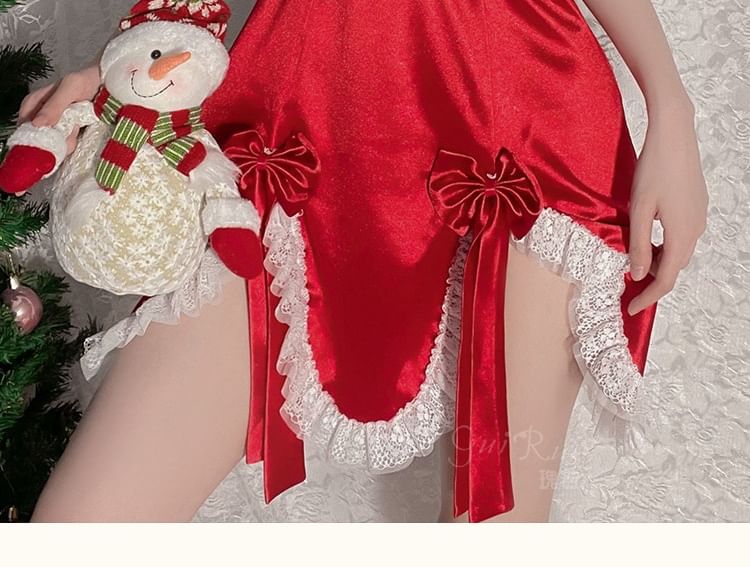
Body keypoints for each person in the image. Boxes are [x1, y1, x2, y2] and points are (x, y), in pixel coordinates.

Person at [26, 0, 707, 522]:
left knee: (495, 533)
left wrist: (672, 111)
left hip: (525, 136)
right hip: (294, 124)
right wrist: (117, 71)